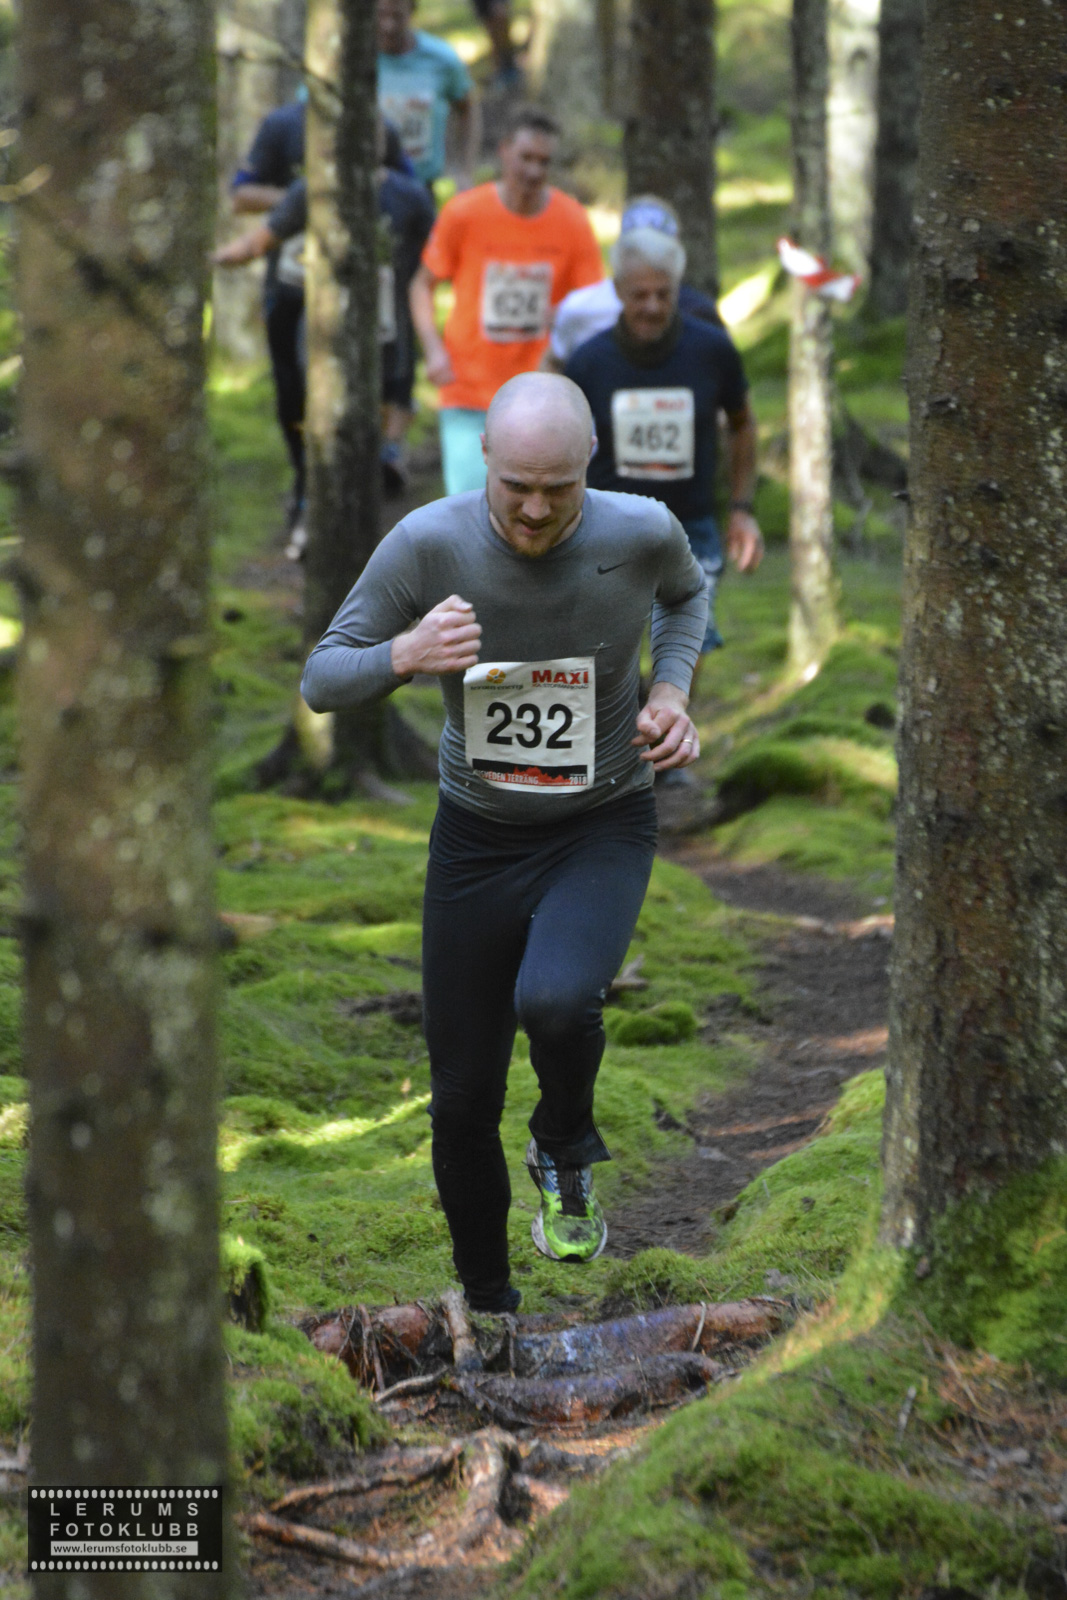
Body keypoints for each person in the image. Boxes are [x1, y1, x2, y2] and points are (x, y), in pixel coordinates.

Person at [301, 373, 708, 1312]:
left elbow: (686, 599)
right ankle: (488, 1307)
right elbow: (322, 678)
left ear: (589, 465)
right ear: (482, 456)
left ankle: (563, 1147)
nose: (532, 510)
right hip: (475, 840)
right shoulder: (428, 542)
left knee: (557, 1002)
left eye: (557, 489)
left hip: (602, 821)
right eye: (515, 485)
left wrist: (671, 690)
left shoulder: (641, 531)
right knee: (460, 1096)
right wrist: (405, 655)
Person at [565, 228, 763, 664]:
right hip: (607, 528)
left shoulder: (712, 350)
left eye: (663, 294)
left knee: (688, 644)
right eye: (640, 295)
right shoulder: (588, 362)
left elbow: (743, 423)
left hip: (691, 525)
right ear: (618, 291)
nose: (652, 307)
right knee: (607, 649)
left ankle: (674, 709)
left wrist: (742, 508)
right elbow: (561, 443)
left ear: (678, 290)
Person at [215, 132, 435, 520]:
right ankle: (315, 491)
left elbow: (439, 255)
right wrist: (213, 258)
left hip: (391, 324)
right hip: (326, 330)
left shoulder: (411, 197)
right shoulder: (313, 191)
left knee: (392, 390)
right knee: (320, 408)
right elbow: (260, 240)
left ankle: (383, 464)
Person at [410, 107, 603, 497]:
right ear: (503, 151)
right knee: (469, 506)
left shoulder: (571, 220)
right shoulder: (465, 213)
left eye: (544, 162)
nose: (534, 170)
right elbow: (421, 285)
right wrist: (432, 349)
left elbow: (591, 305)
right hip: (470, 386)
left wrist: (563, 316)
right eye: (526, 157)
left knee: (535, 506)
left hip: (542, 391)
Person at [229, 97, 307, 534]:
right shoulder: (281, 124)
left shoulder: (372, 117)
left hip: (361, 291)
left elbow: (404, 181)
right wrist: (304, 200)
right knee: (291, 390)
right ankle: (303, 481)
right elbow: (241, 194)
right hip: (288, 285)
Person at [543, 195, 722, 372]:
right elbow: (552, 363)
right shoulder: (581, 308)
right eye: (636, 250)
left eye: (661, 253)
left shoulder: (700, 313)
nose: (652, 307)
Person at [377, 0, 480, 194]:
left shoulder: (441, 59)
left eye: (397, 16)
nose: (388, 25)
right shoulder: (355, 60)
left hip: (425, 185)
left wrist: (464, 170)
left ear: (412, 10)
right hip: (374, 184)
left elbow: (467, 108)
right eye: (381, 15)